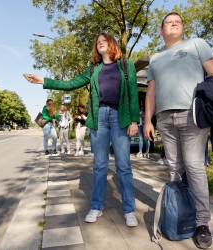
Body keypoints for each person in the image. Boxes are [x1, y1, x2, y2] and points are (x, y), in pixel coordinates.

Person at [28, 32, 139, 227]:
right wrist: (44, 81)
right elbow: (70, 84)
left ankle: (129, 210)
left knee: (123, 166)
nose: (100, 44)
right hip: (99, 118)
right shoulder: (93, 69)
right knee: (99, 165)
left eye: (104, 41)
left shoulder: (126, 65)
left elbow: (132, 94)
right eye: (98, 42)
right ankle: (96, 206)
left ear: (112, 44)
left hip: (120, 117)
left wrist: (133, 121)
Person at [143, 12, 213, 249]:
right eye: (168, 22)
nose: (173, 22)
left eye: (177, 20)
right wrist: (148, 121)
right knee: (175, 169)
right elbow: (151, 93)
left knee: (194, 167)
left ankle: (202, 224)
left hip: (192, 115)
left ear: (182, 28)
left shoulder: (196, 44)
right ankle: (180, 215)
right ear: (161, 31)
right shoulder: (156, 58)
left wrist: (211, 99)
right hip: (165, 119)